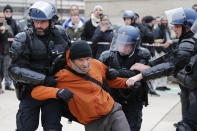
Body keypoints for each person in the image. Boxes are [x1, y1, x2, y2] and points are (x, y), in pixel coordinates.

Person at [31, 40, 132, 131]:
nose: (85, 64)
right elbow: (35, 92)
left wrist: (126, 83)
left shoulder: (95, 64)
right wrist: (57, 92)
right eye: (81, 60)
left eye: (87, 59)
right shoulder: (63, 76)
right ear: (72, 60)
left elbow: (110, 81)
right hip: (92, 123)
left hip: (113, 112)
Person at [128, 8, 197, 131]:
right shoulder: (186, 40)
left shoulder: (189, 43)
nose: (174, 29)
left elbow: (171, 66)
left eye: (177, 26)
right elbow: (171, 57)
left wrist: (142, 75)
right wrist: (151, 65)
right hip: (188, 90)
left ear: (188, 26)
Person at [8, 1, 71, 131]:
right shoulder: (23, 38)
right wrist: (43, 79)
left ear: (52, 21)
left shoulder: (60, 34)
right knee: (25, 128)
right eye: (36, 21)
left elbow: (69, 58)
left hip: (53, 92)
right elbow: (14, 70)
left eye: (43, 22)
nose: (39, 25)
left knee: (52, 128)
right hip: (29, 91)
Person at [99, 25, 150, 131]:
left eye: (127, 45)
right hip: (113, 99)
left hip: (133, 100)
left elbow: (137, 74)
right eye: (120, 44)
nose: (122, 47)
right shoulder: (107, 56)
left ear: (134, 45)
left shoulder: (142, 54)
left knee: (132, 127)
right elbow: (96, 71)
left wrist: (116, 72)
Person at [3, 4, 18, 90]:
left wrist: (10, 38)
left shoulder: (14, 22)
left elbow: (17, 35)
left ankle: (8, 84)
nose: (8, 13)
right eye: (6, 11)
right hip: (2, 48)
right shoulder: (1, 22)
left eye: (9, 11)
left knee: (9, 67)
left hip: (11, 49)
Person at [0, 12, 8, 94]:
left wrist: (5, 30)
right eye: (0, 17)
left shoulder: (6, 26)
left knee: (3, 71)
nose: (1, 18)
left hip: (5, 52)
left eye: (3, 17)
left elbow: (10, 36)